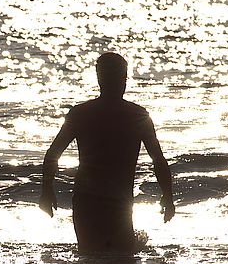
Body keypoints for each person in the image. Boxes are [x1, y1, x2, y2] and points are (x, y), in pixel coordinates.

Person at [39, 52, 175, 253]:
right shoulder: (137, 115)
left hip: (86, 199)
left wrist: (47, 190)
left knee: (90, 258)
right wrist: (168, 196)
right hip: (117, 200)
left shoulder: (81, 113)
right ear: (124, 79)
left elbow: (53, 154)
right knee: (121, 263)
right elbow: (158, 160)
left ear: (99, 78)